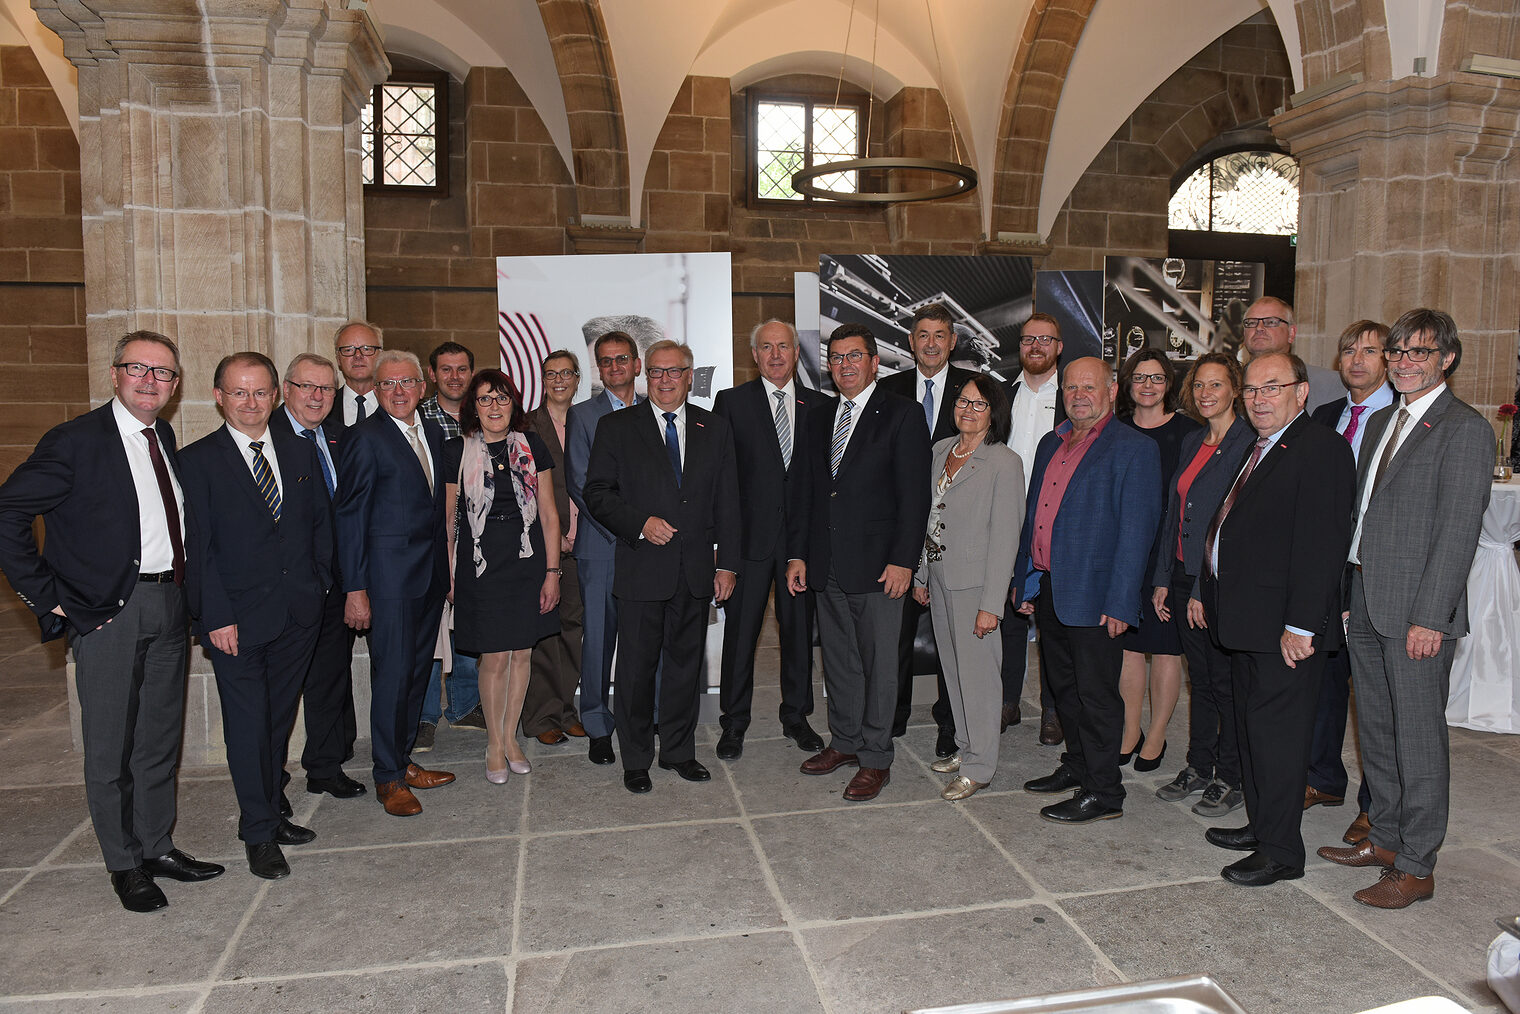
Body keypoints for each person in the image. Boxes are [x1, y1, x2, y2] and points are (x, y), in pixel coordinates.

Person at [0, 330, 225, 912]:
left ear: (176, 386)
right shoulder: (75, 441)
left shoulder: (163, 435)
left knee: (157, 740)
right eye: (139, 369)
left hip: (170, 606)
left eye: (164, 373)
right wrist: (49, 599)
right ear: (114, 373)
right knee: (109, 748)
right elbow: (9, 512)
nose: (151, 381)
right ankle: (123, 864)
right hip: (108, 613)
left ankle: (156, 846)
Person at [1316, 308, 1492, 909]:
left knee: (1418, 739)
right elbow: (1361, 517)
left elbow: (1457, 532)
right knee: (1379, 733)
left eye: (1419, 353)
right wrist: (1345, 596)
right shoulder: (1381, 421)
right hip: (1366, 595)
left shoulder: (1463, 429)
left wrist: (1431, 617)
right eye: (1397, 352)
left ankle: (1417, 866)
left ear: (1446, 359)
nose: (1403, 362)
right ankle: (1386, 839)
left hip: (1417, 609)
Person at [1200, 352, 1354, 887]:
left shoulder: (1322, 450)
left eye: (1273, 387)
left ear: (1302, 392)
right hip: (1245, 621)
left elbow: (1321, 546)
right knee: (1251, 733)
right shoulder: (1258, 445)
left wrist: (1303, 626)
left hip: (1285, 631)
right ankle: (1265, 826)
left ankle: (1283, 852)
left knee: (1280, 742)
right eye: (1251, 389)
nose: (1259, 398)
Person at [180, 352, 332, 880]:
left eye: (261, 392)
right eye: (240, 392)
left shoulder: (299, 451)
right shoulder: (196, 461)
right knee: (247, 727)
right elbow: (198, 548)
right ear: (219, 396)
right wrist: (213, 616)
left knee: (276, 720)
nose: (251, 403)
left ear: (276, 395)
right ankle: (258, 833)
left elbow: (318, 527)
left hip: (298, 614)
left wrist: (321, 584)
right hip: (235, 624)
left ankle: (272, 808)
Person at [584, 340, 740, 793]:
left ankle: (677, 752)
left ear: (690, 376)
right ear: (643, 375)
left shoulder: (716, 427)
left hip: (694, 572)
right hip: (641, 568)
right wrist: (640, 523)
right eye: (656, 372)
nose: (665, 380)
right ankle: (635, 759)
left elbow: (729, 501)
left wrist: (727, 564)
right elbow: (597, 493)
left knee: (685, 668)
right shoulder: (616, 427)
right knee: (634, 670)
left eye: (674, 372)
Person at [1012, 357, 1161, 825]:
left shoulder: (1134, 449)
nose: (1079, 395)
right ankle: (1076, 766)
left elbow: (1138, 533)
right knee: (1064, 689)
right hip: (1051, 586)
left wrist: (1121, 601)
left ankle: (1103, 792)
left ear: (1112, 391)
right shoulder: (1048, 443)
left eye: (1089, 387)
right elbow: (1034, 517)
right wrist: (1026, 579)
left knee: (1097, 695)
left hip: (1097, 597)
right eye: (1072, 387)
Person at [786, 324, 931, 802]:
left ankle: (875, 757)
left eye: (854, 356)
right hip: (826, 562)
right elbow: (806, 492)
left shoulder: (903, 415)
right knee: (840, 660)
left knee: (880, 664)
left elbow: (914, 498)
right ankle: (845, 742)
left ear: (874, 362)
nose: (844, 365)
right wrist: (798, 554)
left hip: (879, 566)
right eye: (836, 358)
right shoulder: (818, 416)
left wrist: (903, 561)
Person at [336, 350, 456, 816]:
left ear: (422, 387)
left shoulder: (427, 430)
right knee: (391, 678)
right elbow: (350, 519)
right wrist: (356, 588)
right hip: (387, 583)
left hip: (426, 580)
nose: (399, 391)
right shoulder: (364, 439)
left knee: (414, 675)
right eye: (388, 385)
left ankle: (403, 761)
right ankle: (387, 777)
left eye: (407, 382)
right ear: (376, 390)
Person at [711, 319, 825, 761]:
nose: (776, 355)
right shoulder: (731, 403)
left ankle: (797, 718)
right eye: (766, 347)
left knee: (798, 635)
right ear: (754, 356)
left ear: (796, 354)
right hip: (749, 544)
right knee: (741, 636)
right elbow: (722, 481)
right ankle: (733, 723)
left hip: (800, 545)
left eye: (783, 347)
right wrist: (724, 551)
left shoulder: (820, 405)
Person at [444, 369, 562, 784]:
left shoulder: (533, 447)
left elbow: (549, 514)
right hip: (480, 565)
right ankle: (495, 743)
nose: (494, 406)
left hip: (527, 561)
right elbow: (449, 521)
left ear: (514, 404)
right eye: (484, 399)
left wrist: (552, 572)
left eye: (502, 398)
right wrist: (450, 575)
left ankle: (511, 738)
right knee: (494, 656)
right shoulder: (456, 450)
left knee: (523, 653)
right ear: (473, 407)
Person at [1151, 353, 1254, 817]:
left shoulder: (1248, 444)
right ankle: (1198, 766)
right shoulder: (1194, 439)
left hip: (1217, 581)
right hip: (1179, 574)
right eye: (1199, 386)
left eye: (1216, 385)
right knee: (1201, 681)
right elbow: (1175, 513)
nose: (1206, 393)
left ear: (1236, 389)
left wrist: (1199, 590)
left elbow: (1231, 524)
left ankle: (1230, 777)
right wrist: (1161, 580)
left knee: (1225, 683)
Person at [912, 377, 1023, 800]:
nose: (969, 410)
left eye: (980, 404)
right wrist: (922, 575)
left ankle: (980, 767)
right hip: (941, 580)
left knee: (979, 679)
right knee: (954, 674)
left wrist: (991, 605)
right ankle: (965, 747)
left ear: (995, 412)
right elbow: (929, 518)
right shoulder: (941, 450)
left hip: (976, 587)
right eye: (963, 401)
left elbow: (1005, 538)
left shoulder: (1003, 462)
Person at [1304, 320, 1394, 822]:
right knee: (1326, 676)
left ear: (1387, 360)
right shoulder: (1328, 413)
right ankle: (1323, 778)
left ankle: (1375, 807)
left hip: (1373, 566)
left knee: (1374, 694)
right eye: (1348, 350)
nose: (1356, 359)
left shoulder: (1399, 417)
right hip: (1328, 562)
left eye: (1369, 350)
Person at [880, 303, 974, 757]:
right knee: (894, 632)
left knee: (951, 637)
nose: (931, 343)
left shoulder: (975, 390)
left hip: (953, 533)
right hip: (897, 531)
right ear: (911, 341)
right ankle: (892, 715)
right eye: (923, 335)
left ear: (952, 341)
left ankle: (948, 722)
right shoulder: (888, 390)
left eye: (940, 335)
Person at [275, 353, 366, 802]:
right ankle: (269, 784)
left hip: (334, 583)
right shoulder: (263, 437)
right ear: (285, 389)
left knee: (331, 677)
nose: (316, 396)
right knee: (278, 693)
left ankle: (325, 768)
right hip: (287, 589)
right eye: (306, 386)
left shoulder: (337, 437)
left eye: (326, 389)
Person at [1114, 349, 1200, 773]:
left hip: (1169, 555)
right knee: (1128, 646)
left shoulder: (1190, 433)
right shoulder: (1116, 430)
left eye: (1157, 378)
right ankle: (1130, 729)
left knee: (1166, 651)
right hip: (1126, 550)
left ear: (1170, 383)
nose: (1148, 386)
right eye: (1139, 378)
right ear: (1128, 385)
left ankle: (1159, 731)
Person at [566, 330, 644, 767]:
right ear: (599, 367)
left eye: (622, 359)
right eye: (606, 361)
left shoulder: (657, 409)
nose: (615, 367)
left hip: (651, 549)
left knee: (646, 639)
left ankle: (643, 718)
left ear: (636, 363)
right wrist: (628, 531)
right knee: (597, 642)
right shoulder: (584, 415)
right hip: (603, 546)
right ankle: (597, 724)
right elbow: (580, 484)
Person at [417, 340, 485, 750]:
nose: (455, 376)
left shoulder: (483, 416)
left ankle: (464, 704)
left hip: (474, 539)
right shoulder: (418, 417)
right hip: (427, 539)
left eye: (462, 369)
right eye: (446, 369)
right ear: (432, 374)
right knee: (428, 630)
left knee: (467, 624)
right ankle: (424, 714)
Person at [1002, 312, 1066, 744]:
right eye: (1029, 339)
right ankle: (1006, 700)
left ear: (1059, 346)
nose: (1037, 346)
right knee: (1006, 611)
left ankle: (1053, 709)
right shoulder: (1000, 395)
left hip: (1057, 524)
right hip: (1006, 521)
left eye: (1046, 339)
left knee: (1054, 622)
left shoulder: (1075, 396)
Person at [525, 350, 589, 745]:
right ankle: (539, 718)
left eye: (567, 373)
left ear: (578, 379)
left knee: (574, 632)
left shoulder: (588, 420)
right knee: (545, 636)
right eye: (552, 373)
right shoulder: (528, 425)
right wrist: (556, 534)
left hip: (585, 546)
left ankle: (567, 710)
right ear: (542, 379)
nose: (559, 380)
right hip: (544, 546)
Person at [1237, 297, 1341, 412]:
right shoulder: (1228, 383)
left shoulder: (1330, 384)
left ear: (1291, 333)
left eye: (1271, 322)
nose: (1259, 328)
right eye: (1251, 323)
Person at [332, 320, 383, 428]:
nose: (358, 356)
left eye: (366, 349)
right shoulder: (325, 405)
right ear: (338, 359)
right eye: (348, 350)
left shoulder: (395, 404)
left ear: (380, 356)